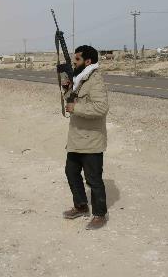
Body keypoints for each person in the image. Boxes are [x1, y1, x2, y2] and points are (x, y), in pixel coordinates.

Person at [62, 45, 109, 230]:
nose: (74, 62)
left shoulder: (95, 80)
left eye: (78, 60)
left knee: (93, 180)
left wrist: (76, 108)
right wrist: (67, 90)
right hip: (76, 137)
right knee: (71, 172)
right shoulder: (80, 79)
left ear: (88, 61)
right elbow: (72, 100)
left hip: (91, 140)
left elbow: (101, 108)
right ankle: (81, 206)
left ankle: (99, 214)